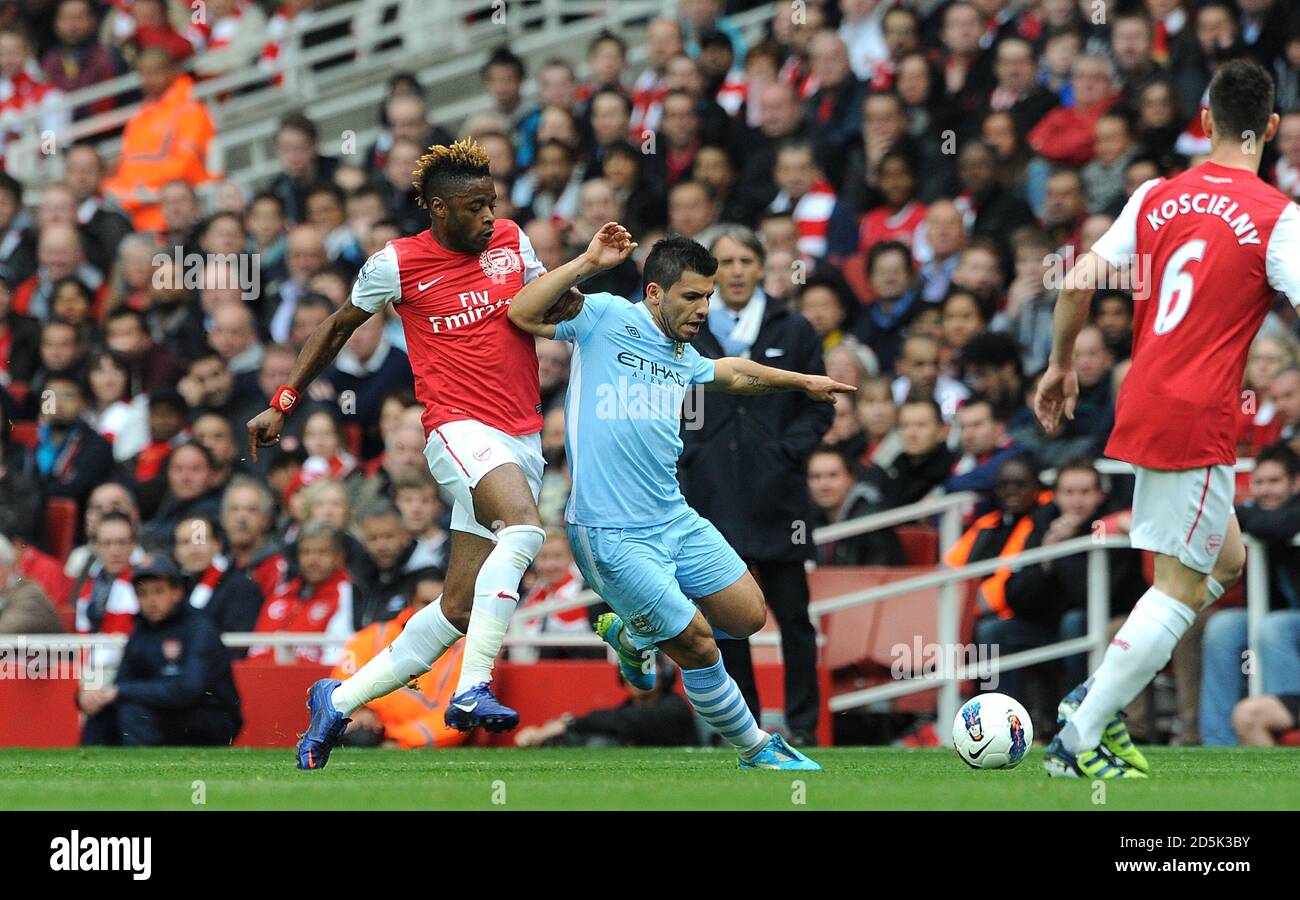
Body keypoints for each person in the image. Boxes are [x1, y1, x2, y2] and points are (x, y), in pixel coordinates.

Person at [248, 139, 583, 769]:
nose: (489, 217)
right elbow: (338, 325)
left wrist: (589, 274)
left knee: (457, 607)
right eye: (475, 207)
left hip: (520, 436)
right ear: (436, 209)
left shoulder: (513, 240)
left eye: (492, 204)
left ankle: (336, 701)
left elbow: (545, 309)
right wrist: (283, 402)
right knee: (525, 529)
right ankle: (472, 687)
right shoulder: (396, 263)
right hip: (455, 430)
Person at [1035, 60, 1300, 779]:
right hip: (1198, 414)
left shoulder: (1156, 194)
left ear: (1205, 123)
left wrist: (1060, 365)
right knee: (1179, 588)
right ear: (1270, 130)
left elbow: (1079, 279)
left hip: (1144, 397)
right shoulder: (1279, 218)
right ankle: (1078, 737)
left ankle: (1098, 696)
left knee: (1226, 560)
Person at [509, 227, 856, 770]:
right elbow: (522, 313)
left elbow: (736, 375)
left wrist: (803, 382)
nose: (704, 308)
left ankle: (633, 631)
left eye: (709, 296)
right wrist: (588, 261)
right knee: (699, 642)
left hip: (674, 518)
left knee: (748, 616)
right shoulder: (604, 317)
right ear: (654, 293)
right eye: (693, 296)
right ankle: (756, 747)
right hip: (608, 530)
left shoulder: (682, 352)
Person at [678, 226, 831, 745]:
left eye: (747, 259)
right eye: (727, 262)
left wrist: (789, 450)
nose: (738, 270)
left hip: (779, 496)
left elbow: (818, 405)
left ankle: (804, 726)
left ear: (763, 266)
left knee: (794, 616)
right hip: (712, 496)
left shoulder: (796, 329)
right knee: (728, 620)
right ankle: (741, 728)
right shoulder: (688, 327)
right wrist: (691, 452)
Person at [79, 555, 242, 747]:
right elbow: (123, 681)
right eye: (143, 594)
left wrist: (121, 691)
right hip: (164, 712)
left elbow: (189, 689)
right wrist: (95, 697)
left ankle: (144, 771)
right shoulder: (141, 629)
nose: (151, 601)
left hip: (210, 717)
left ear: (177, 592)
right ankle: (88, 769)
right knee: (104, 710)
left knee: (132, 709)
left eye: (158, 591)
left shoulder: (199, 629)